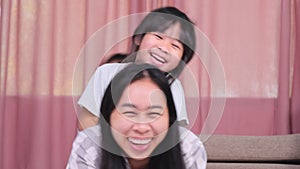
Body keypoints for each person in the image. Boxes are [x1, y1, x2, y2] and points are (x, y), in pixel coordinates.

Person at [77, 6, 196, 130]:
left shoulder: (174, 87)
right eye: (159, 36)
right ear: (139, 38)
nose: (163, 48)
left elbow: (178, 133)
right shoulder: (106, 73)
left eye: (175, 45)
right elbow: (87, 122)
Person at [66, 64, 207, 169]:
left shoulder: (188, 148)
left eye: (154, 114)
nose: (141, 127)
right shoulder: (90, 145)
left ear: (170, 119)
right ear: (107, 116)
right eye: (129, 113)